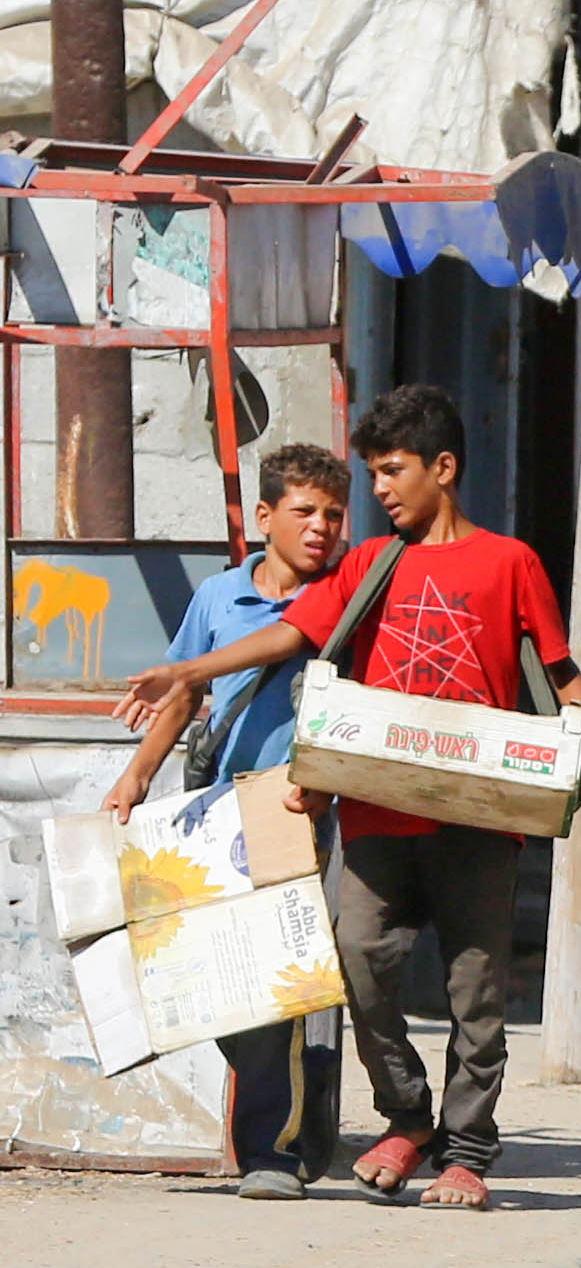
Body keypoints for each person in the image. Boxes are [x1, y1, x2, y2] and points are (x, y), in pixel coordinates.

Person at [121, 386, 581, 1212]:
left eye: (392, 471)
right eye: (373, 473)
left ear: (441, 470)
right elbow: (296, 635)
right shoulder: (367, 563)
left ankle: (468, 1152)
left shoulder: (509, 560)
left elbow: (558, 668)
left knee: (475, 991)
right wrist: (190, 671)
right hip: (376, 816)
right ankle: (408, 1117)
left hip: (481, 816)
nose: (378, 490)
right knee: (359, 963)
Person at [104, 443, 351, 1199]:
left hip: (303, 807)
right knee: (221, 983)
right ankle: (291, 1126)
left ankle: (274, 1154)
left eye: (335, 515)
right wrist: (136, 775)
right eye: (305, 512)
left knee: (287, 983)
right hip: (220, 808)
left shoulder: (345, 594)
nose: (322, 528)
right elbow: (182, 694)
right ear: (266, 517)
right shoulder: (218, 597)